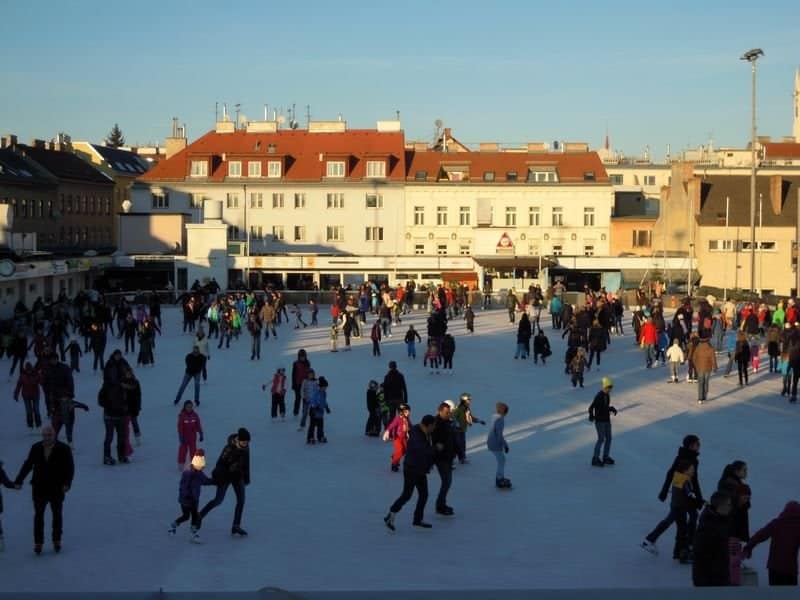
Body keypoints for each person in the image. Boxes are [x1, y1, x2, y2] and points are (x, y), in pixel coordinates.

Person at [13, 425, 74, 555]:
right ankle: (38, 542)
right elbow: (28, 464)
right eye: (45, 435)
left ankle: (57, 540)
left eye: (49, 435)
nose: (47, 438)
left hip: (56, 487)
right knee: (38, 515)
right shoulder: (36, 447)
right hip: (39, 487)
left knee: (57, 514)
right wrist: (19, 480)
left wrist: (67, 483)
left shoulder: (64, 448)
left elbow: (69, 468)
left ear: (54, 435)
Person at [384, 414, 436, 531]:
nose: (434, 428)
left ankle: (418, 519)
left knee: (423, 494)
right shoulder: (416, 434)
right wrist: (435, 449)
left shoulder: (425, 432)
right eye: (433, 426)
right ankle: (391, 514)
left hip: (420, 469)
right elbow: (422, 450)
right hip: (412, 469)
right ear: (428, 425)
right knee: (407, 494)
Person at [641, 460, 697, 562]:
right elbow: (689, 493)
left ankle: (677, 552)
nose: (693, 471)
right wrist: (698, 499)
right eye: (691, 469)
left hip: (675, 505)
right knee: (679, 528)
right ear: (685, 470)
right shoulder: (685, 480)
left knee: (675, 526)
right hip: (680, 508)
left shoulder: (677, 477)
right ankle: (651, 540)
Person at [199, 428, 251, 537]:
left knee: (241, 500)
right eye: (244, 442)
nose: (245, 444)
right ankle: (199, 516)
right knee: (218, 500)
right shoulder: (229, 448)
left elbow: (246, 463)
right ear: (238, 439)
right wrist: (227, 471)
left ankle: (236, 526)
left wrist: (246, 477)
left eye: (247, 442)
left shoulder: (246, 448)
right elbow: (220, 464)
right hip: (225, 477)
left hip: (238, 477)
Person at [742, 501, 800, 586]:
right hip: (790, 569)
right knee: (789, 593)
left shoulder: (777, 523)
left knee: (775, 593)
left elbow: (760, 535)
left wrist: (748, 547)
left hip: (774, 567)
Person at [169, 449, 215, 543]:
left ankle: (193, 532)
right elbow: (183, 487)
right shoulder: (187, 474)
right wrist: (186, 496)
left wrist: (215, 481)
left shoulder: (199, 474)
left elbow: (205, 481)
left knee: (193, 515)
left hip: (194, 500)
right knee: (187, 516)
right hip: (186, 500)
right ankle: (176, 525)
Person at [693, 492, 733, 587]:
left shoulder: (721, 520)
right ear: (720, 506)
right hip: (710, 581)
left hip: (719, 577)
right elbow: (702, 555)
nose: (731, 507)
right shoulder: (708, 526)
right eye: (728, 504)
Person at [431, 401, 456, 516]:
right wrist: (436, 447)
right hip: (441, 458)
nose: (449, 414)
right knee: (447, 481)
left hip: (448, 456)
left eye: (449, 412)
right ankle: (440, 505)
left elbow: (452, 438)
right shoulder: (436, 423)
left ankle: (441, 504)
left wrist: (457, 452)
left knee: (447, 482)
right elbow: (432, 439)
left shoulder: (447, 422)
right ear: (440, 411)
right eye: (446, 412)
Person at [588, 377, 617, 467]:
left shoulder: (607, 395)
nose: (610, 390)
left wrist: (611, 408)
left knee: (609, 438)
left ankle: (605, 457)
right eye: (609, 387)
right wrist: (591, 415)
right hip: (600, 421)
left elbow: (605, 407)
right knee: (601, 439)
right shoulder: (599, 396)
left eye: (611, 387)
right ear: (605, 387)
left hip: (607, 420)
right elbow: (591, 407)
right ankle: (595, 458)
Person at [451, 392, 485, 464]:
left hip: (462, 430)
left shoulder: (467, 408)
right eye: (468, 399)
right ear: (464, 400)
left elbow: (470, 417)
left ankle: (462, 458)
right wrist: (457, 424)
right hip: (456, 430)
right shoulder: (458, 408)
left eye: (470, 399)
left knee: (462, 444)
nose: (470, 401)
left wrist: (479, 421)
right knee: (457, 444)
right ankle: (451, 459)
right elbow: (453, 417)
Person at [487, 402, 511, 489]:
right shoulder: (500, 420)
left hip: (491, 441)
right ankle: (499, 479)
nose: (506, 414)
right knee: (502, 460)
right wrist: (505, 445)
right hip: (495, 443)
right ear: (503, 412)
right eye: (506, 412)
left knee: (501, 460)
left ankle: (500, 478)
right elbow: (499, 435)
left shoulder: (495, 417)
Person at [14, 362, 42, 431]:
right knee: (28, 410)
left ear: (31, 369)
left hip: (35, 395)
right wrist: (16, 394)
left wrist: (40, 379)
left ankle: (38, 425)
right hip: (26, 396)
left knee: (36, 409)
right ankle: (30, 426)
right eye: (27, 370)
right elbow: (18, 385)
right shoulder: (22, 375)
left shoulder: (36, 374)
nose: (28, 371)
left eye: (30, 370)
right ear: (25, 369)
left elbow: (41, 381)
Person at [383, 403, 411, 472]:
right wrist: (387, 431)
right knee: (400, 450)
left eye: (409, 412)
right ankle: (394, 464)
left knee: (405, 450)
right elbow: (392, 425)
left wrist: (412, 431)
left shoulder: (407, 419)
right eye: (406, 412)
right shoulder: (397, 419)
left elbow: (410, 425)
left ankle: (395, 456)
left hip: (404, 437)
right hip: (397, 438)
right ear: (401, 412)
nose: (408, 413)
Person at [177, 401, 203, 470]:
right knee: (183, 451)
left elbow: (198, 425)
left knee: (193, 450)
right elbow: (180, 427)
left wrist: (201, 433)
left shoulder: (195, 415)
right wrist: (180, 436)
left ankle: (194, 463)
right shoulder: (182, 416)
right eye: (188, 407)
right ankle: (181, 463)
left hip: (192, 436)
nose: (189, 408)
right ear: (185, 407)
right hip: (184, 437)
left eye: (191, 407)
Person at [693, 337, 717, 404]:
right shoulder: (710, 349)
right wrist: (714, 367)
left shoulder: (698, 348)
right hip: (708, 368)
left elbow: (694, 358)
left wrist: (696, 365)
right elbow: (713, 359)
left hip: (700, 368)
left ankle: (700, 398)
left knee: (700, 383)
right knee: (706, 382)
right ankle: (704, 396)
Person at [306, 376, 330, 444]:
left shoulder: (324, 393)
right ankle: (310, 437)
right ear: (320, 386)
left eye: (326, 387)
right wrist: (315, 407)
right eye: (324, 387)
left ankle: (320, 437)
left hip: (320, 412)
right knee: (312, 425)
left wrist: (326, 407)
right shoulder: (316, 392)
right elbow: (312, 400)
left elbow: (324, 401)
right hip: (314, 411)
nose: (325, 388)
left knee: (320, 425)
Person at [291, 349, 311, 417]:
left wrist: (310, 381)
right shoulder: (296, 364)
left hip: (305, 384)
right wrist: (293, 384)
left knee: (305, 399)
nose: (302, 358)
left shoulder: (307, 363)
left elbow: (309, 373)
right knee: (298, 398)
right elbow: (293, 375)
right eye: (301, 356)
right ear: (298, 357)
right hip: (298, 384)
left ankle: (304, 411)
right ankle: (295, 412)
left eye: (303, 356)